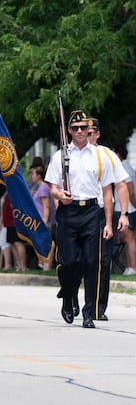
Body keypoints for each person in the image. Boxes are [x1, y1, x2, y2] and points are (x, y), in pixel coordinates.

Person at [45, 109, 122, 328]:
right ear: (69, 130)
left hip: (91, 212)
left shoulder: (99, 156)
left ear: (90, 130)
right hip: (68, 213)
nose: (80, 131)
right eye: (75, 128)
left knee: (91, 263)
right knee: (70, 262)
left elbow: (108, 192)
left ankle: (89, 312)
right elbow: (52, 186)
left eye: (83, 128)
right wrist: (60, 195)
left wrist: (108, 223)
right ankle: (68, 296)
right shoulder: (60, 155)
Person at [86, 117, 130, 320]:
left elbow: (121, 184)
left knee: (103, 261)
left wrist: (124, 214)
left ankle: (98, 307)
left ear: (97, 134)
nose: (87, 136)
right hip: (80, 213)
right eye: (84, 132)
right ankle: (74, 299)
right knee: (79, 261)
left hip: (104, 213)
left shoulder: (107, 155)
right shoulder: (71, 155)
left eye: (91, 133)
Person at [114, 147, 136, 276]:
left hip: (128, 209)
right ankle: (129, 266)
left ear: (118, 154)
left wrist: (133, 206)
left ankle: (133, 266)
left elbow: (131, 191)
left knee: (129, 238)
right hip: (123, 208)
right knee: (125, 238)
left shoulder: (124, 168)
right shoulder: (123, 167)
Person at [29, 164, 55, 270]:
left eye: (32, 173)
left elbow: (46, 206)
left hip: (44, 221)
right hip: (39, 220)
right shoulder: (40, 188)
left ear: (39, 175)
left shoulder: (44, 188)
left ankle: (46, 266)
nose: (31, 176)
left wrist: (44, 221)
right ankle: (43, 265)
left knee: (45, 244)